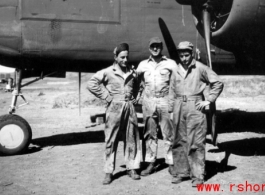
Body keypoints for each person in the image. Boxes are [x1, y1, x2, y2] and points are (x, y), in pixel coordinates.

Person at [169, 41, 224, 186]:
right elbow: (171, 89)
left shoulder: (200, 68)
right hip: (178, 105)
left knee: (196, 141)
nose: (184, 58)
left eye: (186, 55)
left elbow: (218, 82)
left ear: (191, 54)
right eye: (181, 55)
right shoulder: (175, 69)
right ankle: (181, 172)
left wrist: (209, 100)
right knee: (178, 140)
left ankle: (198, 175)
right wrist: (170, 110)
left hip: (195, 106)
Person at [87, 43, 141, 185]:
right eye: (122, 57)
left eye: (126, 57)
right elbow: (92, 83)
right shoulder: (108, 71)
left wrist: (135, 96)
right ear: (116, 57)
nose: (125, 60)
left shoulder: (132, 72)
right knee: (111, 139)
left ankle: (132, 168)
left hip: (129, 106)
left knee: (132, 138)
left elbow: (138, 85)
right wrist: (106, 96)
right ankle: (108, 172)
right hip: (114, 107)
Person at [136, 37, 177, 176]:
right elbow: (136, 81)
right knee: (149, 133)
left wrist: (172, 102)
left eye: (158, 46)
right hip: (148, 102)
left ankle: (171, 162)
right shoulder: (142, 65)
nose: (155, 49)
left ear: (161, 47)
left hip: (164, 100)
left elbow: (176, 83)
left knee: (168, 133)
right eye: (153, 46)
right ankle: (151, 163)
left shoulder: (171, 64)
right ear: (149, 48)